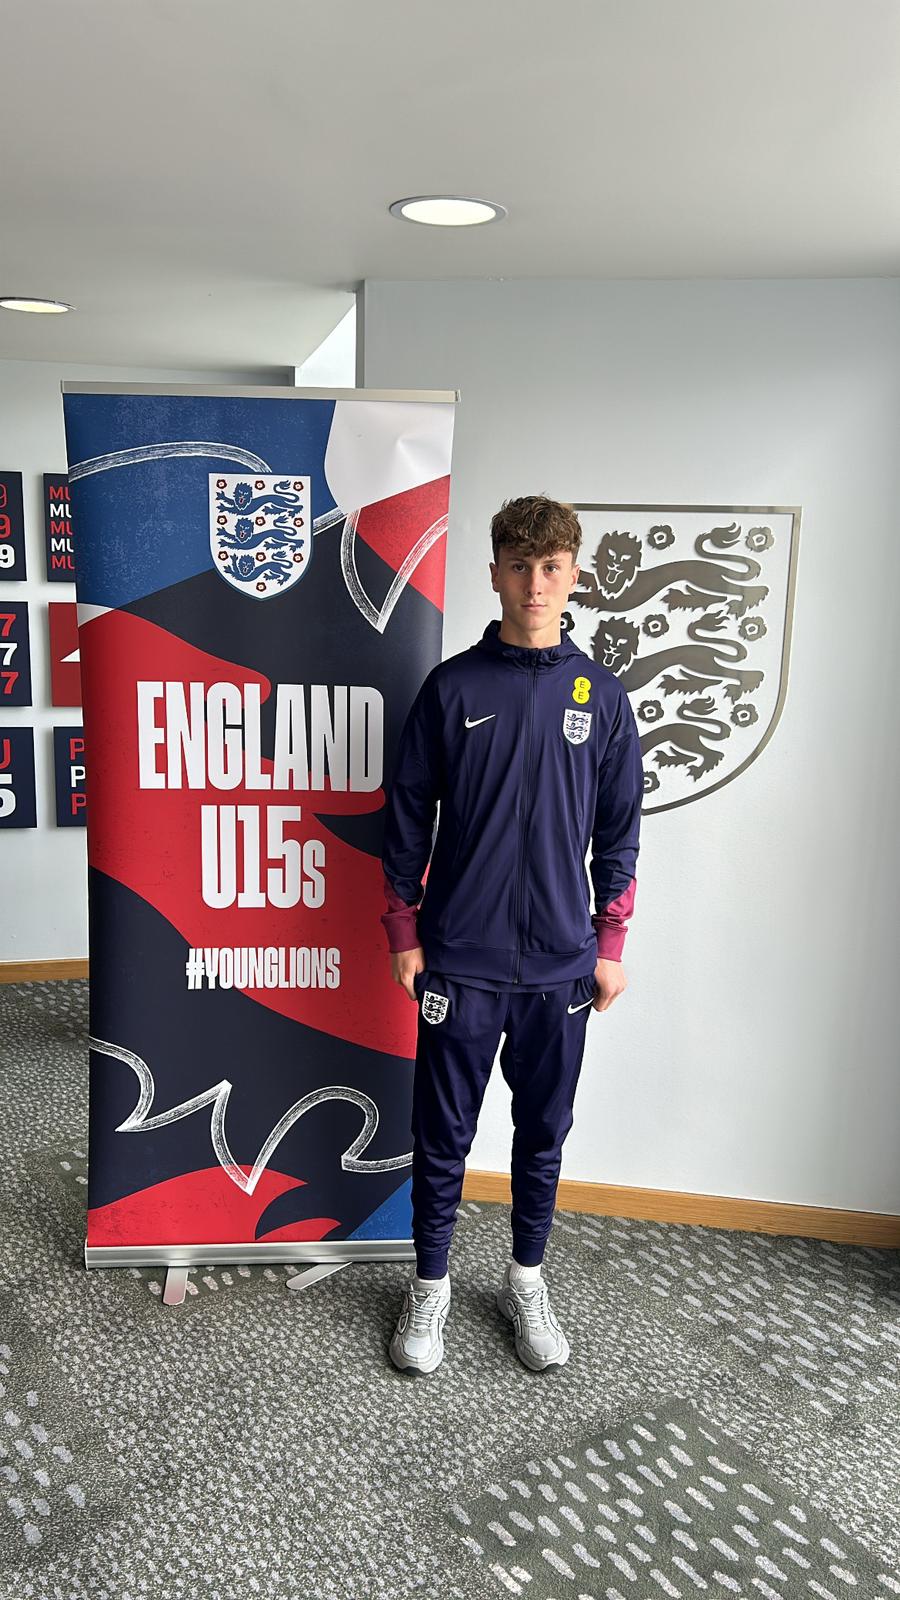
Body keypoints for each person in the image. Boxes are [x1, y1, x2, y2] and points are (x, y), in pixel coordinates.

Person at [380, 495, 644, 1374]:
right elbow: (408, 814)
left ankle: (525, 1280)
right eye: (521, 566)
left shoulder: (603, 699)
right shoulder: (452, 688)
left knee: (543, 1135)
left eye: (552, 567)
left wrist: (610, 945)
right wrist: (403, 929)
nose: (536, 584)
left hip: (561, 967)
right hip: (460, 960)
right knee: (442, 1136)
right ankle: (431, 1286)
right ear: (494, 573)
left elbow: (620, 833)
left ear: (574, 576)